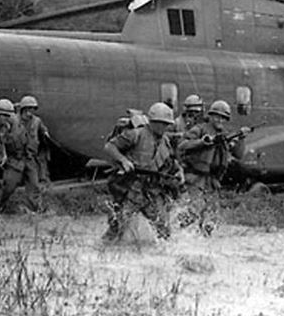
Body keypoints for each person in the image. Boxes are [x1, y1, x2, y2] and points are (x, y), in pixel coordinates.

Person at [102, 102, 184, 242]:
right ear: (152, 122)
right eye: (160, 123)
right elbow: (110, 147)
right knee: (118, 224)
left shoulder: (165, 142)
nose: (163, 127)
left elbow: (170, 162)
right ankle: (104, 249)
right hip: (131, 190)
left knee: (163, 228)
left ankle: (165, 254)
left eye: (166, 124)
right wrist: (123, 161)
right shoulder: (135, 134)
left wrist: (179, 171)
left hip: (152, 191)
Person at [177, 100, 247, 235]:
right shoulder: (200, 129)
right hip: (195, 178)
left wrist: (241, 138)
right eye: (216, 116)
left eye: (223, 117)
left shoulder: (226, 135)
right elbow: (182, 145)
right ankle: (176, 233)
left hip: (212, 182)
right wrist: (202, 142)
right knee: (193, 210)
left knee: (210, 218)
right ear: (210, 116)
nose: (219, 120)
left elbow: (239, 154)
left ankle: (202, 241)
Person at [0, 95, 51, 212]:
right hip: (15, 159)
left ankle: (33, 209)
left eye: (32, 109)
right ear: (22, 109)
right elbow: (1, 137)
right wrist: (3, 154)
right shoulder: (13, 120)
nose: (29, 113)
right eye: (27, 109)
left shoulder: (36, 122)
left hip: (30, 159)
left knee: (34, 185)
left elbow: (43, 131)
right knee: (9, 185)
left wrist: (45, 133)